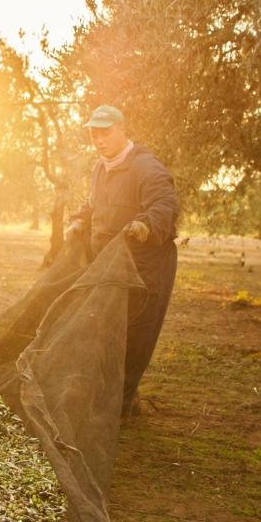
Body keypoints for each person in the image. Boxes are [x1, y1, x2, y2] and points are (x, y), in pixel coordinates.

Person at [66, 105, 179, 417]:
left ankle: (123, 403)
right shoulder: (100, 168)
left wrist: (146, 224)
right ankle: (118, 396)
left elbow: (165, 203)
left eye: (106, 133)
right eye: (94, 135)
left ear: (122, 130)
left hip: (145, 269)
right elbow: (93, 204)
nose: (100, 141)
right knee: (105, 332)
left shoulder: (145, 166)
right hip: (108, 265)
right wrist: (79, 221)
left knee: (134, 334)